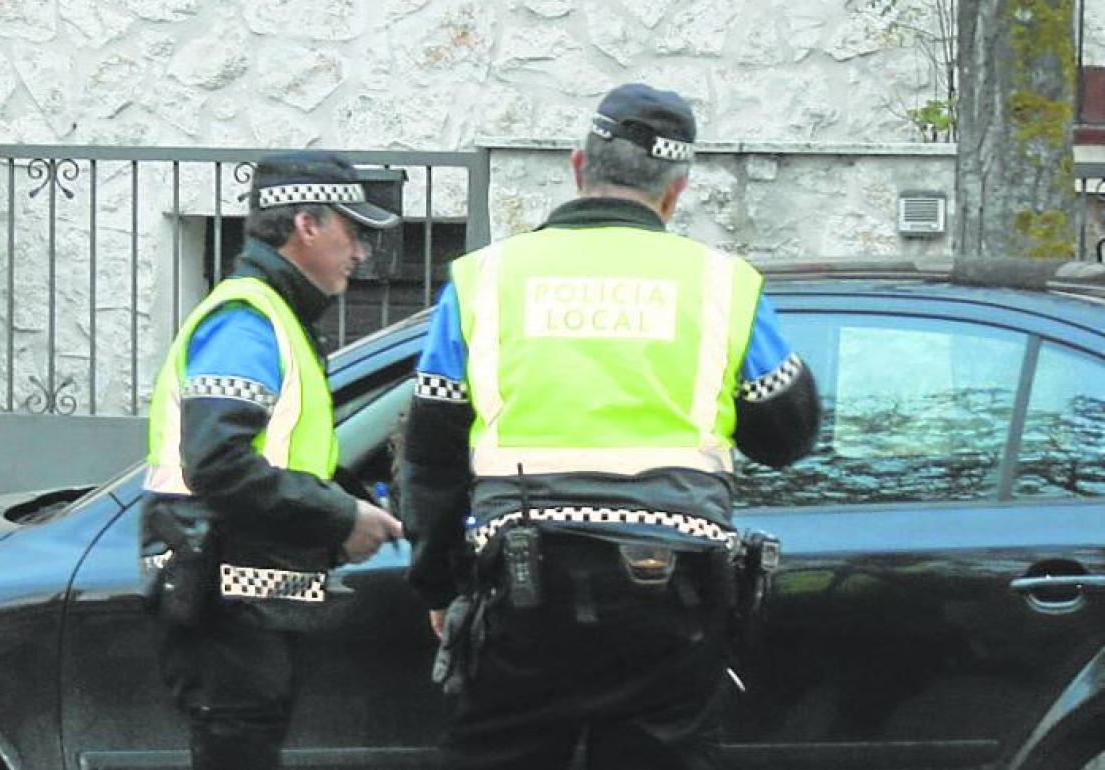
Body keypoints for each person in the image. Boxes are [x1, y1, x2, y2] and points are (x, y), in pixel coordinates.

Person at [398, 83, 821, 770]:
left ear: (577, 165)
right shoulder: (721, 284)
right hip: (675, 598)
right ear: (675, 191)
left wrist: (438, 588)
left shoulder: (485, 280)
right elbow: (788, 435)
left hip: (522, 591)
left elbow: (430, 457)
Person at [140, 150, 405, 770]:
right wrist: (340, 517)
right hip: (226, 615)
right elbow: (219, 462)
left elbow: (281, 456)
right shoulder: (248, 322)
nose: (361, 251)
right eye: (353, 230)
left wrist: (356, 507)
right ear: (306, 224)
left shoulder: (275, 316)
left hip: (242, 611)